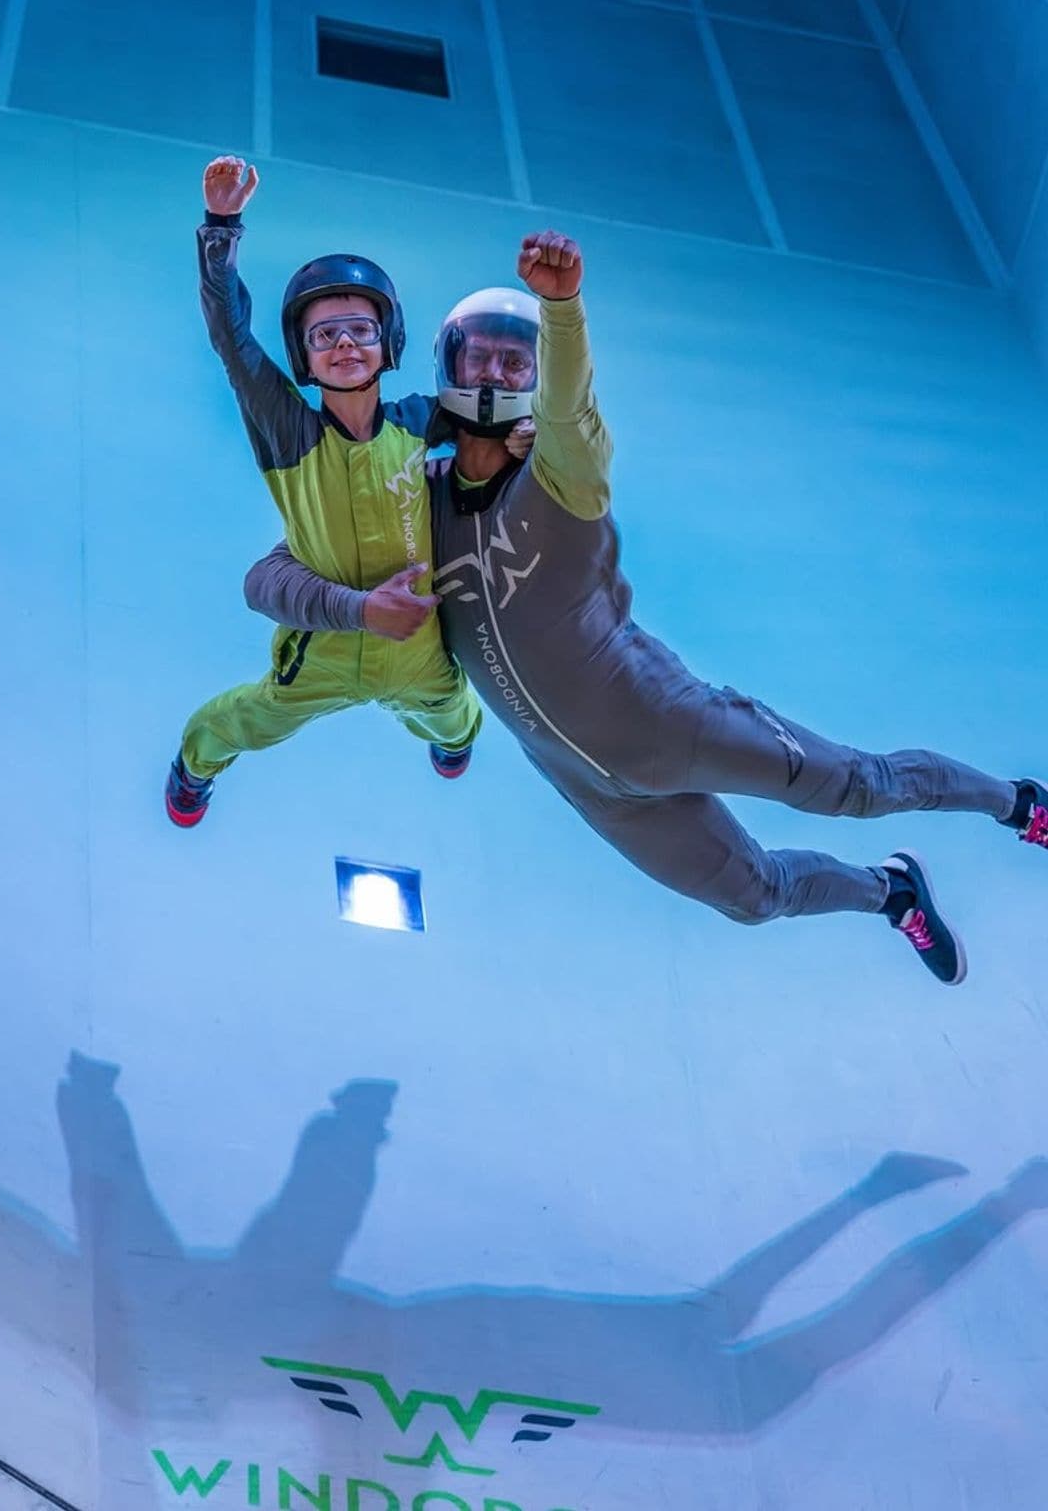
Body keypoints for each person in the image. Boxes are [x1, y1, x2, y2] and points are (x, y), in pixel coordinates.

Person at [243, 229, 1048, 983]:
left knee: (858, 788)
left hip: (673, 725)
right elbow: (270, 576)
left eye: (515, 363)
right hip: (591, 785)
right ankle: (893, 892)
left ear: (534, 380)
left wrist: (561, 311)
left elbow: (570, 411)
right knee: (755, 897)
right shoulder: (414, 503)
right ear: (448, 365)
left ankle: (1020, 804)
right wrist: (351, 607)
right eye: (479, 356)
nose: (493, 373)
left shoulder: (565, 478)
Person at [164, 155, 498, 827]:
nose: (345, 343)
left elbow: (496, 413)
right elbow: (231, 339)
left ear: (388, 341)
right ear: (304, 355)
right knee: (246, 719)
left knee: (457, 715)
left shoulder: (421, 420)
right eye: (324, 335)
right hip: (326, 647)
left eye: (360, 330)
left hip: (420, 645)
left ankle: (449, 743)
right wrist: (221, 225)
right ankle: (193, 766)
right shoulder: (289, 430)